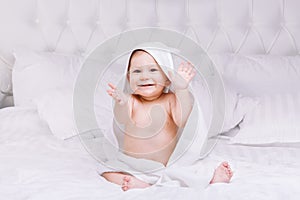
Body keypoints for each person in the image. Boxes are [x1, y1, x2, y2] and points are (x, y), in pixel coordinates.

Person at [102, 45, 233, 191]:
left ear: (167, 79)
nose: (144, 76)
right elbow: (122, 119)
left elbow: (182, 120)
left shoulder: (170, 100)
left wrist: (181, 89)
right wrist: (121, 103)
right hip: (133, 164)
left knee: (190, 171)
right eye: (137, 71)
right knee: (107, 171)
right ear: (128, 78)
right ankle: (139, 182)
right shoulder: (131, 101)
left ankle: (211, 177)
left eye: (153, 70)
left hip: (164, 165)